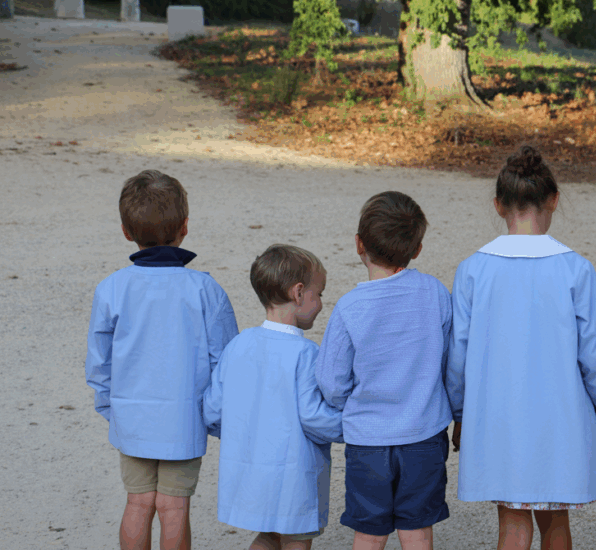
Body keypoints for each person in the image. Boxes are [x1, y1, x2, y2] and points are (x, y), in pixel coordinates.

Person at [446, 146, 596, 550]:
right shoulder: (575, 268)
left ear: (497, 205)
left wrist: (460, 412)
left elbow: (457, 354)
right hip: (557, 420)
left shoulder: (473, 269)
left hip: (497, 419)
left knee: (512, 526)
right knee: (556, 524)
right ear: (554, 199)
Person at [86, 169, 238, 550]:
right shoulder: (205, 289)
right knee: (174, 507)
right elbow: (226, 363)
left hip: (132, 418)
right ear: (185, 226)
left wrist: (112, 407)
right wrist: (215, 416)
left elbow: (98, 362)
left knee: (137, 502)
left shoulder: (112, 288)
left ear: (126, 230)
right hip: (184, 420)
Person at [316, 192, 453, 550]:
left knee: (370, 533)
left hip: (368, 441)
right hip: (423, 434)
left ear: (359, 243)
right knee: (417, 531)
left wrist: (350, 403)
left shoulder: (349, 308)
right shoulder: (435, 294)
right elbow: (449, 363)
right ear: (417, 248)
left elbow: (331, 382)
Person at [203, 244, 344, 550]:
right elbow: (313, 417)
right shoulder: (306, 354)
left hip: (248, 467)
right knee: (296, 537)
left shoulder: (239, 345)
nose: (321, 303)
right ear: (299, 292)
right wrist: (350, 425)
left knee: (267, 535)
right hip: (293, 473)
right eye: (319, 294)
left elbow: (213, 409)